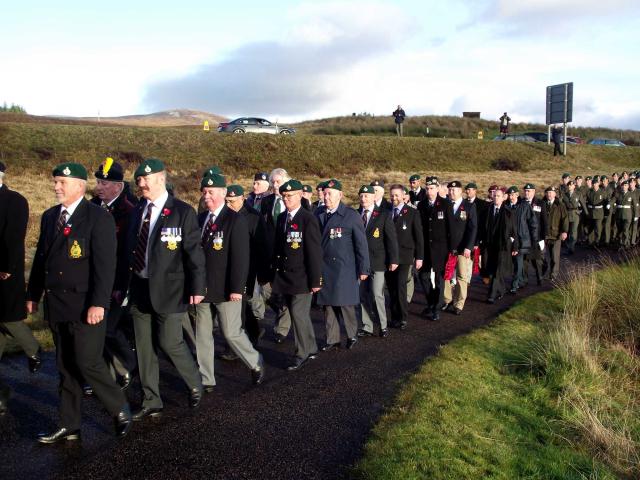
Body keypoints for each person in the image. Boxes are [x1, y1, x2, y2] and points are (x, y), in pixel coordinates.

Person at [26, 162, 132, 443]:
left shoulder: (97, 217)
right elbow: (41, 260)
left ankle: (119, 407)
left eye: (62, 182)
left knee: (88, 362)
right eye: (55, 181)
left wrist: (99, 303)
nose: (56, 186)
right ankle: (69, 424)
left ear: (80, 186)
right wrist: (32, 295)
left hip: (86, 305)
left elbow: (105, 266)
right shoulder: (50, 216)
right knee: (65, 366)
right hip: (58, 304)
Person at [123, 158, 206, 421]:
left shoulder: (182, 212)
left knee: (170, 342)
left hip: (170, 289)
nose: (141, 184)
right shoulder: (138, 210)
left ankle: (195, 382)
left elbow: (194, 253)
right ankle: (151, 399)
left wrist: (197, 286)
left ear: (160, 179)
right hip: (139, 286)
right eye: (138, 180)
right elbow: (127, 250)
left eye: (145, 180)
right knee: (144, 347)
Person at [196, 174, 265, 388]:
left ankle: (255, 362)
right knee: (203, 336)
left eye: (211, 192)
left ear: (223, 193)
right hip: (202, 287)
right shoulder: (200, 220)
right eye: (204, 192)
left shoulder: (235, 220)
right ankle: (206, 378)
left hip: (227, 288)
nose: (207, 196)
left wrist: (238, 288)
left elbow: (241, 257)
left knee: (231, 332)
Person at [91, 158, 137, 389]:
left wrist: (122, 285)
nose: (99, 187)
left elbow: (128, 252)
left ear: (118, 186)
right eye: (98, 181)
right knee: (95, 330)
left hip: (119, 280)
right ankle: (104, 376)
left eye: (105, 183)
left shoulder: (129, 210)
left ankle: (128, 365)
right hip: (94, 279)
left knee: (109, 329)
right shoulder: (92, 207)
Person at [271, 179, 322, 370]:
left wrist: (316, 279)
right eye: (284, 196)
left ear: (300, 195)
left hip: (302, 276)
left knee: (299, 315)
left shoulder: (308, 219)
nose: (286, 199)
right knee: (296, 314)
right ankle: (311, 347)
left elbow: (314, 252)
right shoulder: (283, 218)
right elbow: (278, 247)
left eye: (290, 196)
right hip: (285, 276)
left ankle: (301, 353)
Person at [315, 179, 370, 351]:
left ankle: (352, 335)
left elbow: (361, 244)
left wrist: (364, 268)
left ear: (340, 195)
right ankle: (332, 339)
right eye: (324, 193)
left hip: (344, 267)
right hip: (324, 267)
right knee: (328, 305)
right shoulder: (318, 214)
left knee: (345, 304)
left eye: (330, 193)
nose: (326, 197)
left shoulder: (350, 215)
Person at [0, 161, 42, 372]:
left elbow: (14, 237)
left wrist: (7, 267)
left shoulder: (14, 201)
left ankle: (33, 349)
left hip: (5, 270)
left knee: (9, 318)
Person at [225, 185, 269, 348]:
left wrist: (263, 273)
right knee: (241, 304)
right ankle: (254, 330)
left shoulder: (253, 217)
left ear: (242, 198)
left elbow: (262, 246)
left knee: (239, 303)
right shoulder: (226, 215)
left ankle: (235, 346)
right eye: (227, 201)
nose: (229, 205)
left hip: (247, 267)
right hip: (228, 266)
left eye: (233, 201)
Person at [356, 185, 398, 338]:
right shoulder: (355, 214)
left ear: (374, 197)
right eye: (361, 196)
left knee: (376, 294)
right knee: (362, 295)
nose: (363, 199)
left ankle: (383, 325)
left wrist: (393, 259)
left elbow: (391, 239)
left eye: (366, 196)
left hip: (378, 262)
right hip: (360, 263)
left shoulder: (384, 214)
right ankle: (367, 326)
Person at [259, 168, 295, 343]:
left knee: (284, 289)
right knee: (266, 290)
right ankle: (282, 310)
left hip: (287, 253)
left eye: (278, 182)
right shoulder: (266, 202)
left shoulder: (298, 202)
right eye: (273, 182)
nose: (275, 185)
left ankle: (282, 328)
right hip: (268, 254)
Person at [386, 185, 423, 330]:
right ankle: (394, 317)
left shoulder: (413, 213)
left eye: (396, 195)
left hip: (405, 256)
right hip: (389, 257)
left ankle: (402, 317)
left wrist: (419, 257)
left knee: (400, 286)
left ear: (403, 196)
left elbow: (419, 237)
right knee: (392, 288)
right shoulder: (387, 212)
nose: (394, 198)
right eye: (392, 195)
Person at [443, 181, 477, 314]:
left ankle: (459, 303)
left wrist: (469, 247)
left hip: (463, 248)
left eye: (454, 190)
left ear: (460, 191)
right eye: (450, 190)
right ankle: (447, 299)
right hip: (447, 248)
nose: (451, 192)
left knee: (462, 276)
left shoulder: (469, 206)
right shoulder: (445, 205)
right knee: (446, 274)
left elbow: (472, 228)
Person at [417, 177, 449, 321]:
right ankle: (431, 302)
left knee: (439, 278)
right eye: (428, 189)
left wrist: (452, 248)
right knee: (423, 276)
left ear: (437, 189)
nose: (430, 191)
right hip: (425, 248)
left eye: (432, 188)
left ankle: (437, 308)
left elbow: (451, 228)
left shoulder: (445, 204)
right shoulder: (421, 205)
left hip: (440, 248)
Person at [484, 187, 518, 303]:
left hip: (502, 246)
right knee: (490, 268)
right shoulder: (488, 210)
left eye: (498, 196)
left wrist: (515, 246)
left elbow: (514, 231)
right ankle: (502, 290)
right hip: (489, 245)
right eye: (494, 196)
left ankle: (491, 294)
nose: (496, 198)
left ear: (503, 198)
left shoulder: (509, 212)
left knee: (497, 269)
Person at [504, 186, 537, 293]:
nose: (511, 197)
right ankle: (519, 280)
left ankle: (515, 284)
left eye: (513, 195)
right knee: (511, 263)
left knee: (518, 263)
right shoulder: (505, 206)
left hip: (522, 239)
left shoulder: (524, 206)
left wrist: (534, 239)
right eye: (509, 195)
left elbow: (532, 223)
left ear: (517, 195)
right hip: (509, 239)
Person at [541, 186, 568, 281]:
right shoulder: (542, 204)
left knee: (554, 256)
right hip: (544, 234)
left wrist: (564, 231)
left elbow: (565, 219)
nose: (549, 194)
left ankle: (553, 274)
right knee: (541, 255)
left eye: (551, 192)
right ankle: (543, 271)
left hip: (556, 234)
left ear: (555, 194)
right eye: (548, 192)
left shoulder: (560, 205)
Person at [521, 183, 545, 286]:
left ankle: (540, 277)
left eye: (529, 191)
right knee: (525, 259)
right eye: (525, 191)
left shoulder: (540, 203)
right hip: (524, 237)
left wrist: (543, 237)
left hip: (536, 237)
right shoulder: (521, 203)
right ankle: (525, 279)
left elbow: (544, 221)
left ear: (534, 192)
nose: (527, 193)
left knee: (537, 259)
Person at [561, 180, 583, 254]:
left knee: (573, 231)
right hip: (567, 214)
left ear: (574, 186)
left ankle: (572, 247)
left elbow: (583, 204)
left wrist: (586, 213)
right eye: (569, 185)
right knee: (567, 231)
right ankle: (568, 246)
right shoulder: (565, 195)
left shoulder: (578, 194)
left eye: (571, 185)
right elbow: (562, 204)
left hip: (575, 214)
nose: (569, 186)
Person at [614, 180, 636, 249]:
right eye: (623, 185)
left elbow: (635, 206)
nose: (624, 187)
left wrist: (636, 215)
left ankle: (625, 244)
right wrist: (610, 204)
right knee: (620, 230)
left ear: (628, 186)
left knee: (625, 229)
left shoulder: (631, 194)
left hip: (628, 215)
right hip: (619, 215)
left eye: (626, 185)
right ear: (621, 186)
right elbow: (613, 200)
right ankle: (620, 243)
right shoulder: (618, 194)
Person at [586, 177, 607, 247]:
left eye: (596, 183)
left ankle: (597, 242)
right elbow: (587, 202)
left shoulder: (602, 192)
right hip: (591, 212)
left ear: (598, 183)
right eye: (593, 184)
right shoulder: (589, 192)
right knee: (590, 228)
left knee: (598, 228)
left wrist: (606, 213)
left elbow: (605, 202)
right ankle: (590, 242)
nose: (595, 185)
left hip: (599, 212)